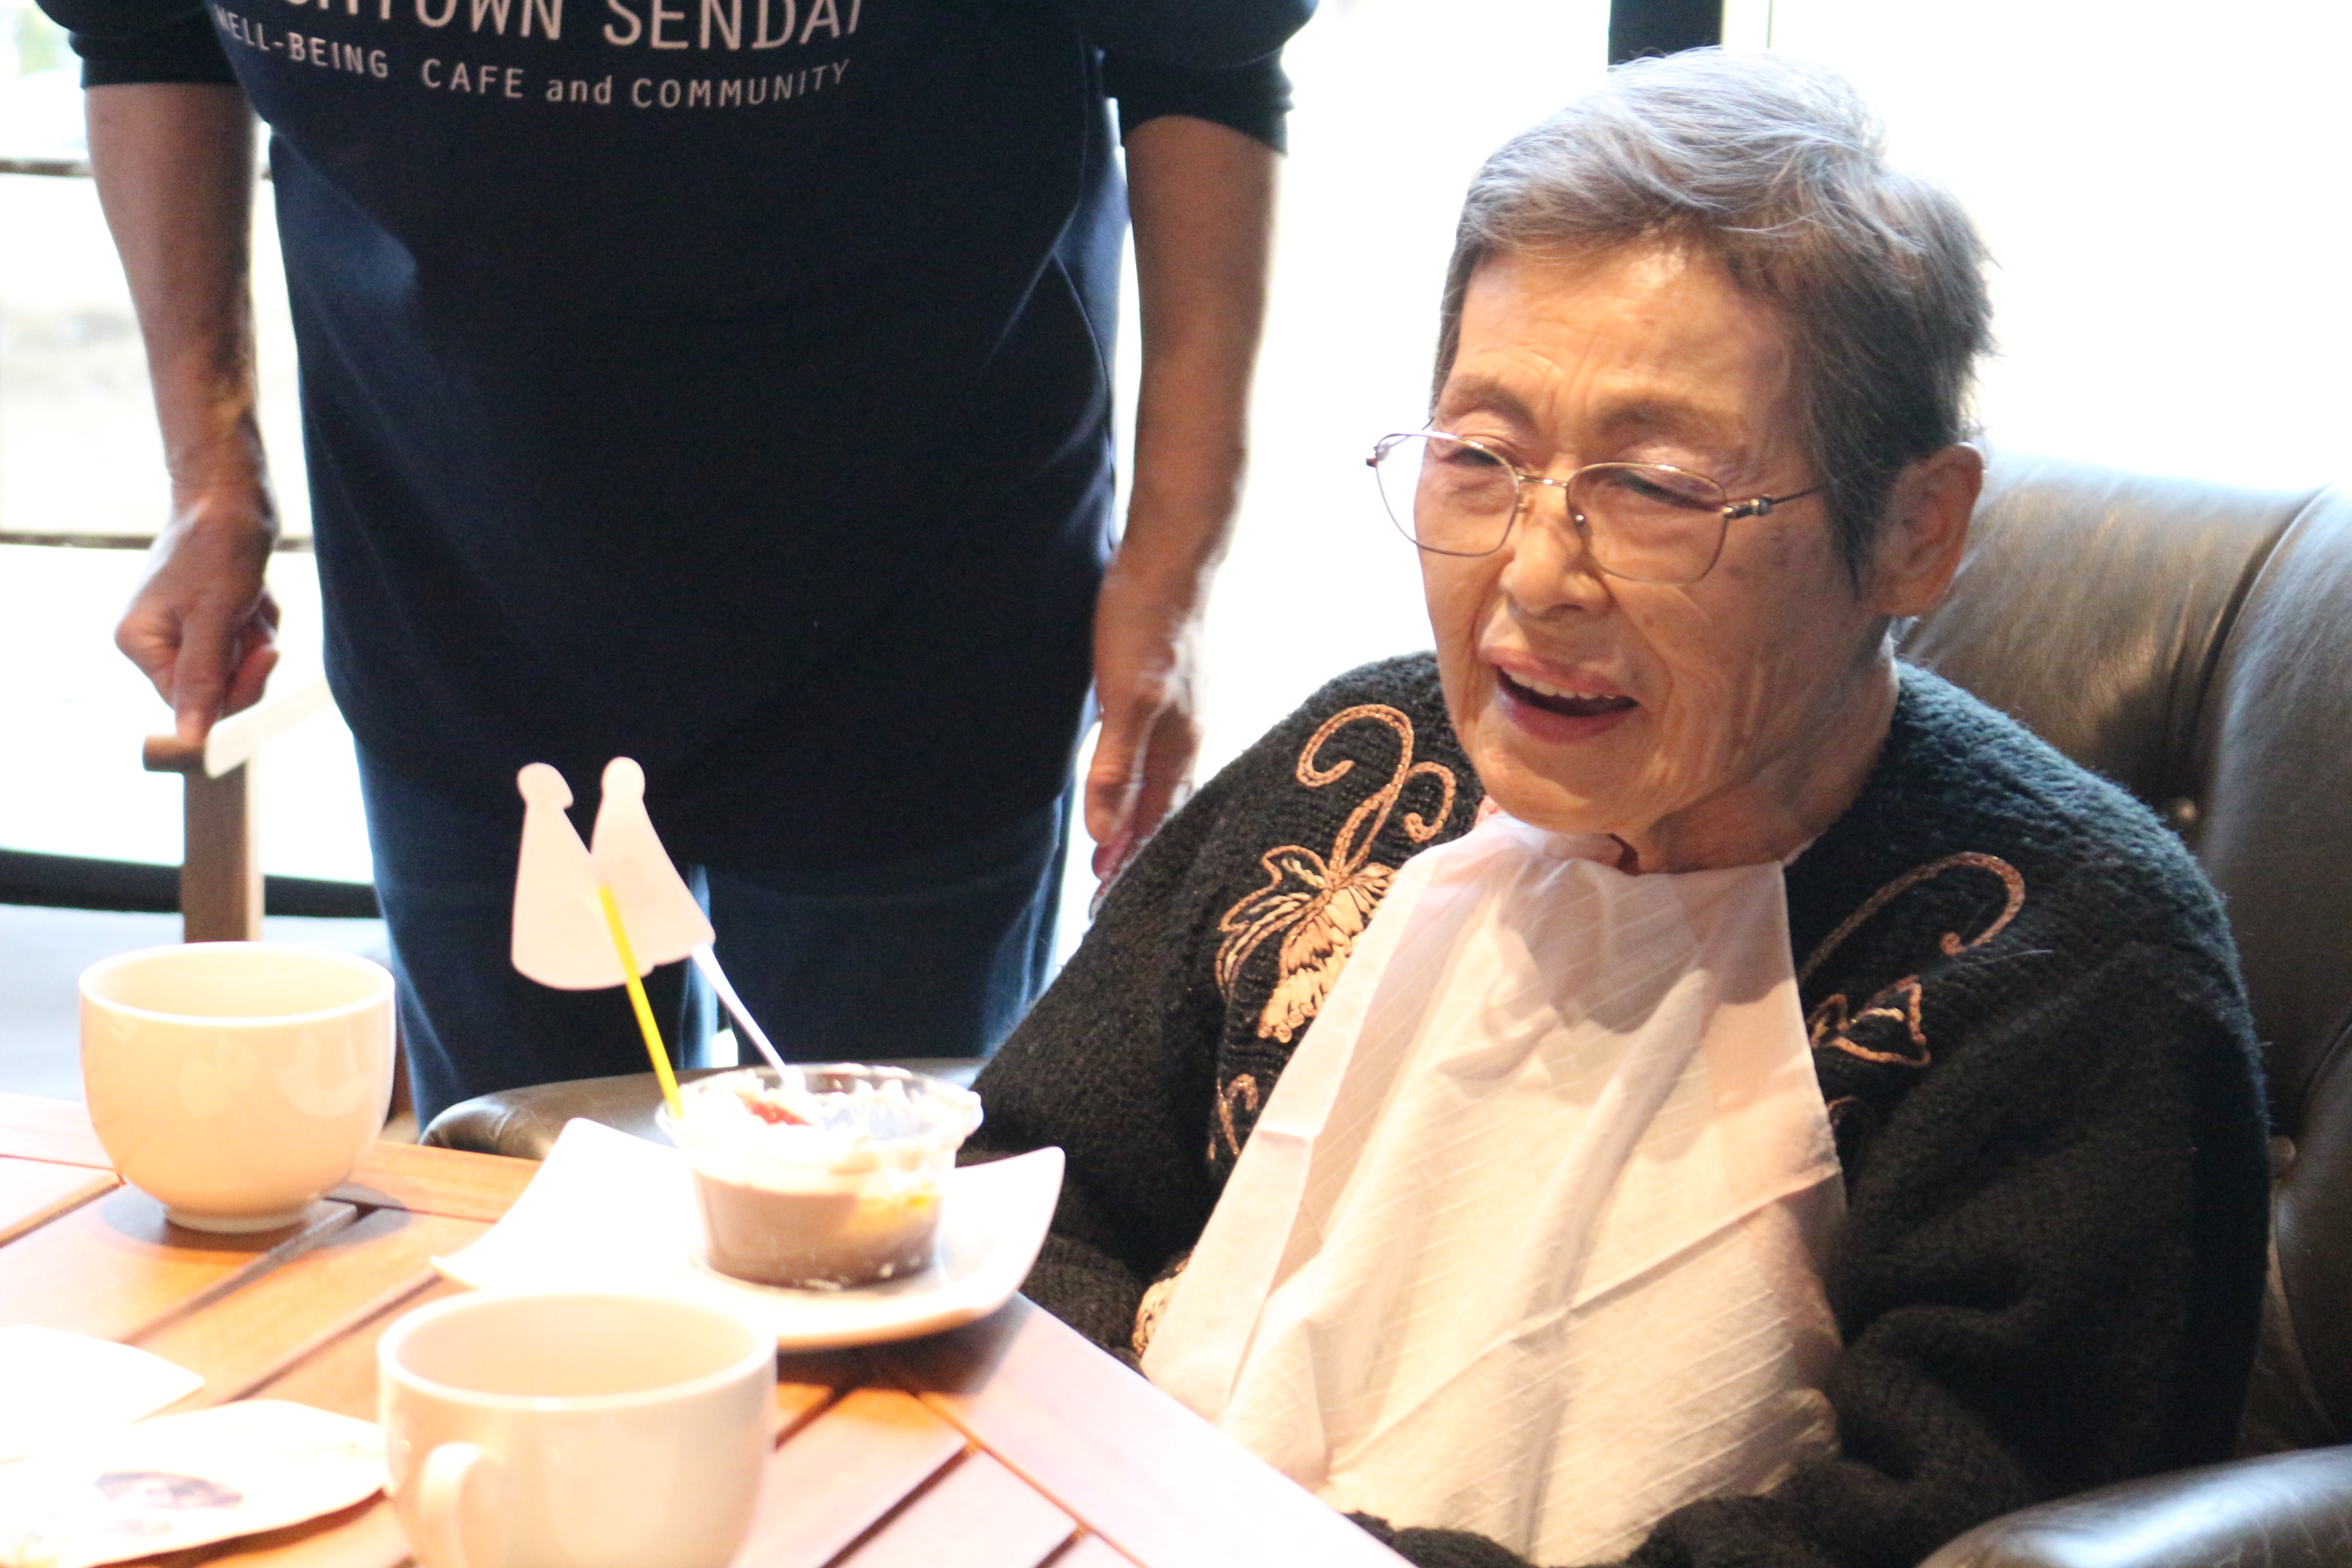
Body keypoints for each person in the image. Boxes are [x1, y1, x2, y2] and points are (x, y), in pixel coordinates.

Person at [965, 50, 2271, 1568]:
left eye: (1654, 487)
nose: (1534, 577)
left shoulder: (2060, 972)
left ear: (1916, 531)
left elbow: (1928, 1528)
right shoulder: (1366, 761)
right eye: (1480, 458)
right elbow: (1023, 1190)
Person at [40, 0, 1312, 1121]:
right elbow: (146, 33)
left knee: (870, 1237)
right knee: (522, 1207)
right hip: (453, 571)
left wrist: (1172, 563)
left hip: (912, 580)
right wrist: (211, 480)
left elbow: (1201, 61)